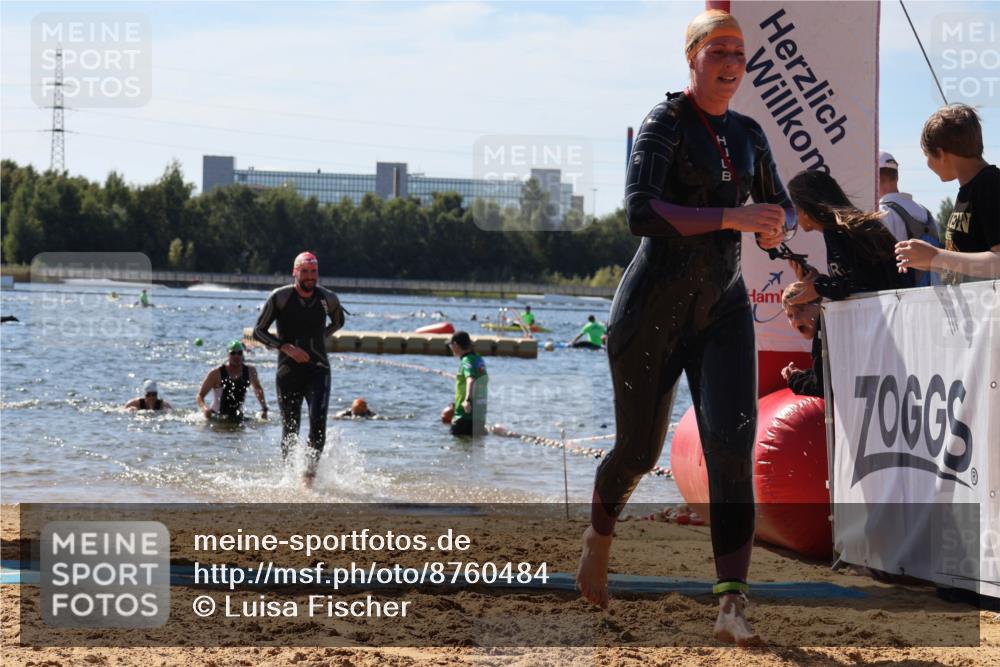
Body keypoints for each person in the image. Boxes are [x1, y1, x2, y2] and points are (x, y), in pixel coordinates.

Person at [576, 9, 790, 646]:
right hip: (651, 311)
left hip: (722, 308)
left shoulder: (751, 133)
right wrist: (734, 217)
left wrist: (779, 224)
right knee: (638, 452)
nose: (731, 63)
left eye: (740, 54)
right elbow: (642, 212)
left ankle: (731, 604)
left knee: (732, 446)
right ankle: (599, 534)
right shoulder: (663, 122)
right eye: (718, 50)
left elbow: (771, 207)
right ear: (692, 59)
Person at [253, 251, 346, 487]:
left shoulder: (328, 299)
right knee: (290, 427)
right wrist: (286, 348)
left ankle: (308, 479)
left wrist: (319, 338)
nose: (309, 277)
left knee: (318, 423)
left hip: (319, 369)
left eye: (313, 272)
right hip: (288, 372)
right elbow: (258, 332)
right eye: (304, 272)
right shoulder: (281, 297)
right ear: (295, 272)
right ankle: (288, 476)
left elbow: (338, 322)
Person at [895, 104, 999, 284]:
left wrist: (936, 256)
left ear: (941, 154)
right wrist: (930, 262)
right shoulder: (969, 189)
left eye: (926, 154)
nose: (927, 163)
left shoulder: (991, 184)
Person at [783, 170, 914, 306]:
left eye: (794, 207)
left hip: (889, 317)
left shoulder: (841, 230)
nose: (794, 215)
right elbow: (857, 281)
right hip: (889, 313)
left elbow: (861, 283)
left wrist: (818, 287)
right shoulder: (844, 227)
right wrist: (817, 280)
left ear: (806, 208)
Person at [878, 151, 941, 287]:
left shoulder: (882, 213)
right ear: (897, 177)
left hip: (904, 301)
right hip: (936, 295)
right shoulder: (925, 211)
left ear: (874, 178)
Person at [196, 341, 268, 423]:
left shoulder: (250, 371)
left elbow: (258, 389)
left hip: (237, 416)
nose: (236, 356)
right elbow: (200, 396)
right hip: (216, 417)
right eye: (233, 353)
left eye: (239, 353)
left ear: (243, 354)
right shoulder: (216, 373)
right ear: (228, 355)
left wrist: (264, 409)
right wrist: (204, 409)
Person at [779, 282, 824, 398]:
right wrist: (801, 375)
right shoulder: (821, 334)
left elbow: (821, 387)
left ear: (818, 305)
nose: (795, 319)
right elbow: (823, 377)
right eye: (790, 315)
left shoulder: (823, 336)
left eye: (800, 310)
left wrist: (794, 379)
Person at [447, 331, 488, 436]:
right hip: (479, 417)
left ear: (455, 344)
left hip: (464, 416)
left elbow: (471, 379)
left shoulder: (466, 361)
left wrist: (467, 400)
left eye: (451, 345)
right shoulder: (479, 359)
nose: (450, 348)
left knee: (458, 449)